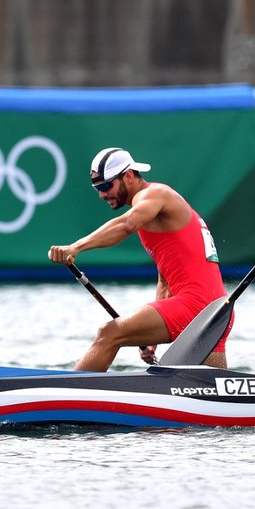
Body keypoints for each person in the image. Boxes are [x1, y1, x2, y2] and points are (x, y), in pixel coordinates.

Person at [48, 147, 231, 371]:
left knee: (109, 333)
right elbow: (165, 282)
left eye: (106, 186)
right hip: (216, 311)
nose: (102, 195)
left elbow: (126, 225)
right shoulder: (156, 216)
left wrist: (75, 247)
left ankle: (70, 397)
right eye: (97, 188)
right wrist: (152, 339)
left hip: (197, 306)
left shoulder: (154, 194)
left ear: (128, 176)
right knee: (216, 393)